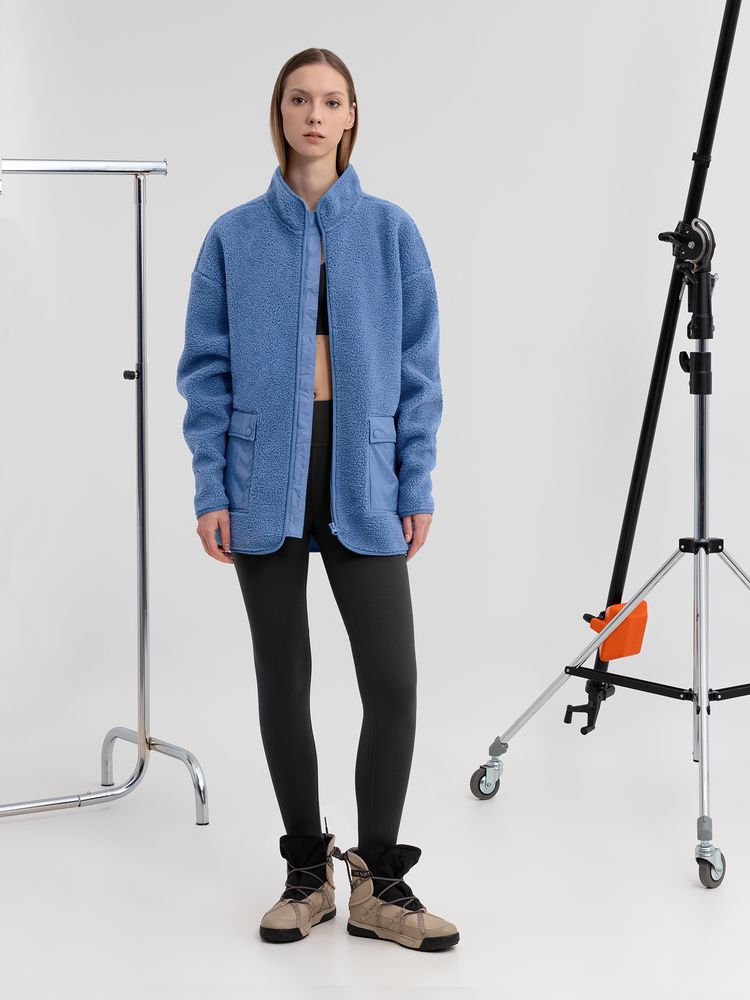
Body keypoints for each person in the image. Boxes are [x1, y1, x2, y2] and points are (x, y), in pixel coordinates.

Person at [176, 46, 458, 952]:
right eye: (300, 99)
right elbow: (205, 372)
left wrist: (415, 478)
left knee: (394, 683)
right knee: (283, 678)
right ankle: (307, 873)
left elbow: (419, 369)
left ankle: (380, 882)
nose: (314, 114)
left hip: (363, 476)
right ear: (280, 112)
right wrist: (211, 486)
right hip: (263, 478)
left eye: (331, 101)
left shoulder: (391, 231)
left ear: (350, 117)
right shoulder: (233, 236)